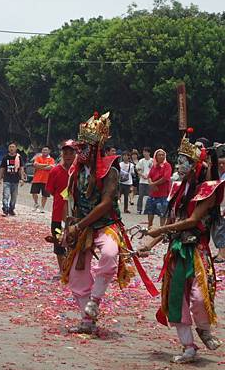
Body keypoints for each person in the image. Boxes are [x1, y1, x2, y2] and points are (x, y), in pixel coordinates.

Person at [61, 112, 155, 334]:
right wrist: (69, 228)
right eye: (78, 147)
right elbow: (72, 201)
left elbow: (105, 205)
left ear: (94, 148)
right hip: (82, 227)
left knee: (110, 254)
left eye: (82, 147)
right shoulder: (75, 171)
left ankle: (95, 300)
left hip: (105, 225)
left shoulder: (110, 169)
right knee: (75, 275)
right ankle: (87, 319)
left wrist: (79, 225)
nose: (78, 151)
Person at [138, 133, 223, 363]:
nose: (178, 166)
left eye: (183, 161)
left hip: (197, 251)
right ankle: (188, 346)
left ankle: (203, 329)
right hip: (177, 250)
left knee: (197, 297)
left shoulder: (209, 191)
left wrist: (159, 231)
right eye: (178, 161)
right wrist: (149, 244)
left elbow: (192, 221)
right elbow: (170, 223)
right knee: (176, 299)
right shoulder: (177, 189)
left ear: (196, 165)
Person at [45, 140, 76, 274]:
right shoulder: (55, 171)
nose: (68, 155)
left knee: (75, 243)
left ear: (76, 154)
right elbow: (50, 190)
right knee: (58, 243)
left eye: (71, 152)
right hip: (58, 215)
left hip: (76, 216)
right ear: (62, 154)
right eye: (65, 152)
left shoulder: (79, 171)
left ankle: (72, 269)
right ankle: (63, 271)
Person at [145, 148, 172, 228]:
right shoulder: (154, 166)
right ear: (155, 157)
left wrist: (154, 184)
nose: (161, 156)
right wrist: (151, 184)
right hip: (153, 193)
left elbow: (165, 178)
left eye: (163, 155)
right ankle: (149, 226)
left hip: (163, 194)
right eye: (159, 155)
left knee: (162, 213)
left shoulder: (167, 165)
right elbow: (149, 176)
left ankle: (162, 229)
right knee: (150, 211)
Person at [0, 142, 25, 216]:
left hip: (15, 180)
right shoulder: (5, 157)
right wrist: (0, 179)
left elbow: (21, 169)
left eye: (13, 147)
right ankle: (5, 209)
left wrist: (22, 179)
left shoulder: (19, 158)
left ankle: (11, 209)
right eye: (10, 147)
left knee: (14, 197)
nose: (11, 148)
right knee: (6, 195)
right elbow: (2, 169)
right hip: (7, 179)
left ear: (16, 148)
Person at [31, 146, 55, 213]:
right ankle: (36, 203)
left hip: (46, 180)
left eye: (46, 150)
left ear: (49, 151)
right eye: (43, 150)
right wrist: (45, 165)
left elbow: (50, 167)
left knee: (45, 195)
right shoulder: (38, 157)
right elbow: (35, 164)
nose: (44, 151)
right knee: (33, 192)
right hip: (36, 179)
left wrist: (40, 166)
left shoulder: (51, 159)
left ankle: (42, 207)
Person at [136, 147, 153, 214]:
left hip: (150, 181)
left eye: (146, 152)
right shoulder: (141, 161)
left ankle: (148, 209)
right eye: (144, 152)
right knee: (141, 195)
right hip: (142, 181)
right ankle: (139, 209)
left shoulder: (152, 161)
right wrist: (142, 175)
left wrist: (149, 176)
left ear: (149, 153)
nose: (145, 153)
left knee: (150, 196)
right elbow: (138, 169)